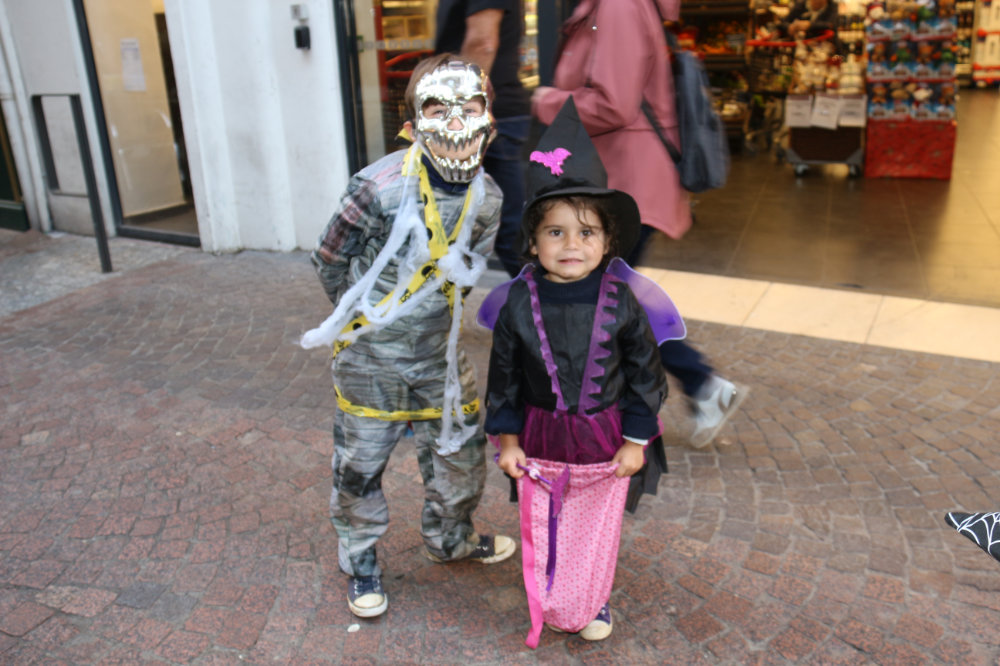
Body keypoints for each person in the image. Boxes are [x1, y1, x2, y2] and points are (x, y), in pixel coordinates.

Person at [300, 53, 515, 619]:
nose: (456, 123)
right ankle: (361, 558)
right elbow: (328, 260)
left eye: (470, 107)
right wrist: (365, 321)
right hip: (371, 363)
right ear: (412, 120)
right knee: (360, 466)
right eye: (439, 109)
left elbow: (466, 271)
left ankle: (451, 541)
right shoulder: (377, 188)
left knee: (463, 459)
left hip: (441, 362)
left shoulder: (488, 197)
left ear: (489, 118)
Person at [480, 99, 676, 645]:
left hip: (603, 436)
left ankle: (592, 594)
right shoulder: (518, 303)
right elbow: (505, 380)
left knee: (595, 525)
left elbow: (645, 377)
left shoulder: (623, 303)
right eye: (556, 232)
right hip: (540, 436)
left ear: (608, 242)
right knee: (549, 521)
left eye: (587, 233)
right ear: (533, 240)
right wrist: (509, 442)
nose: (572, 245)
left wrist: (636, 440)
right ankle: (551, 588)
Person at [531, 0, 748, 448]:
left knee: (599, 300)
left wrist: (544, 98)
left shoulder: (619, 5)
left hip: (626, 182)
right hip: (617, 178)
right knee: (609, 298)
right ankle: (700, 387)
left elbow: (614, 104)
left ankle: (693, 388)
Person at [435, 0, 530, 278]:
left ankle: (552, 309)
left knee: (506, 230)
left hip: (484, 118)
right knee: (474, 227)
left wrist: (459, 117)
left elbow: (482, 42)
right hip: (485, 115)